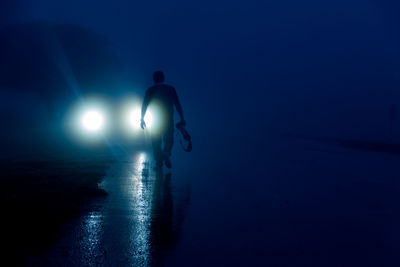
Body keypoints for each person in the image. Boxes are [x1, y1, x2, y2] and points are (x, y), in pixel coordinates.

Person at [141, 71, 186, 168]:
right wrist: (182, 118)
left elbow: (144, 105)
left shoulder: (150, 90)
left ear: (154, 79)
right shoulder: (170, 89)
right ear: (163, 78)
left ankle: (159, 162)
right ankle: (166, 153)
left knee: (156, 141)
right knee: (169, 139)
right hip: (168, 119)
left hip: (155, 120)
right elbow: (177, 104)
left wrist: (142, 118)